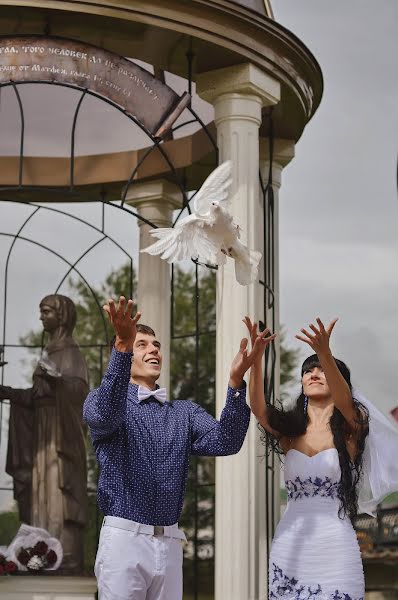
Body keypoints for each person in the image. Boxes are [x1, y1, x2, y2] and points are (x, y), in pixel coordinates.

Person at [83, 296, 272, 600]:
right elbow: (105, 414)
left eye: (155, 345)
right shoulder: (101, 401)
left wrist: (236, 382)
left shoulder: (184, 412)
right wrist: (123, 343)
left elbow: (227, 441)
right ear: (124, 353)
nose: (154, 349)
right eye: (141, 344)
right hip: (123, 541)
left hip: (170, 544)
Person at [245, 316, 398, 600]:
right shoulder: (289, 433)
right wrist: (256, 360)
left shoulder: (353, 428)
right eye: (307, 371)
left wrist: (325, 353)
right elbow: (258, 407)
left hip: (335, 544)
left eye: (321, 370)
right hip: (290, 543)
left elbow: (344, 402)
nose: (313, 374)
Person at [0, 294, 89, 572]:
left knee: (58, 489)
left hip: (60, 434)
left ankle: (62, 552)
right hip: (43, 432)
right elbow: (38, 397)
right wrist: (9, 393)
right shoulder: (49, 351)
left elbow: (80, 392)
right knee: (40, 491)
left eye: (46, 311)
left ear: (61, 315)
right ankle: (38, 552)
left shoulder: (70, 351)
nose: (41, 317)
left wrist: (58, 383)